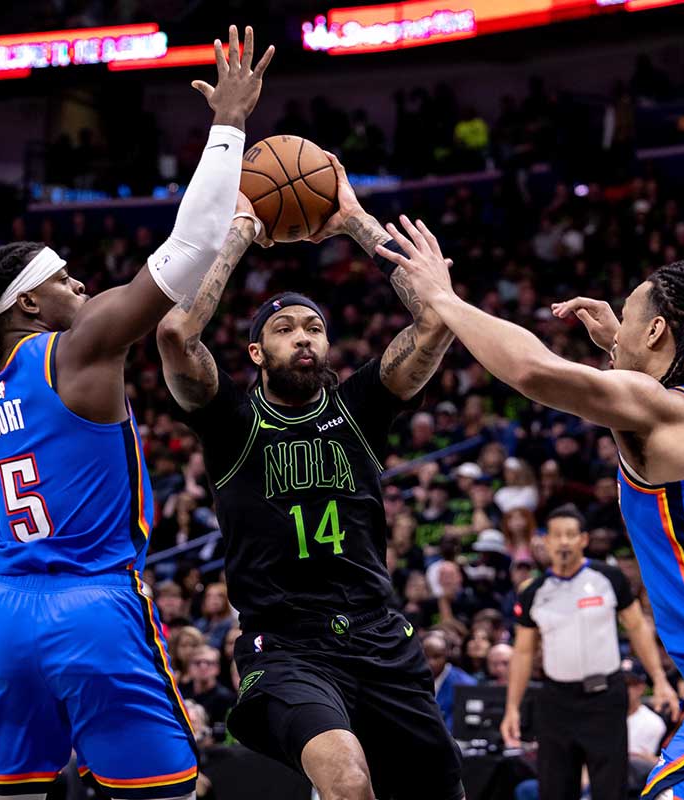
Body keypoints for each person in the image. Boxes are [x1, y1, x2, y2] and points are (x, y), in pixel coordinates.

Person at [0, 24, 273, 800]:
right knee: (165, 794)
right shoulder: (74, 352)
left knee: (5, 794)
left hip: (8, 616)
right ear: (27, 304)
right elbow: (190, 247)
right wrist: (229, 127)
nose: (80, 288)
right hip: (95, 606)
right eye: (66, 279)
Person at [382, 222, 684, 798]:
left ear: (656, 330)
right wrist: (618, 347)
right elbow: (640, 396)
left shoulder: (668, 413)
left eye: (628, 314)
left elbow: (535, 371)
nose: (616, 324)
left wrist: (443, 299)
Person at [155, 154, 461, 800]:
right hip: (289, 644)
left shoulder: (357, 408)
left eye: (315, 327)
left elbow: (435, 322)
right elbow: (177, 332)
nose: (304, 337)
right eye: (284, 327)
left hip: (380, 635)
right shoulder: (233, 421)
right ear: (256, 352)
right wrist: (242, 226)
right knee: (346, 780)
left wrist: (352, 220)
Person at [501, 505, 677, 800]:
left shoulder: (608, 578)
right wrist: (512, 708)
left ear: (583, 539)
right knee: (555, 791)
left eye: (571, 535)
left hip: (604, 699)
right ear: (546, 542)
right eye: (557, 535)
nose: (564, 542)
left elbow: (637, 627)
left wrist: (659, 678)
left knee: (610, 791)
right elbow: (522, 653)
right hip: (556, 701)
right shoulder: (534, 592)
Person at [624, 658, 667, 796]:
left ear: (641, 686)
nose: (625, 689)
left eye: (630, 684)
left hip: (637, 786)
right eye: (621, 683)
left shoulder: (653, 723)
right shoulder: (602, 717)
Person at [422, 633, 477, 731]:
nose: (431, 662)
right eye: (426, 656)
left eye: (437, 656)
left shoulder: (465, 683)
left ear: (447, 655)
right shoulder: (410, 680)